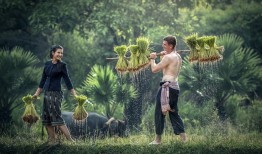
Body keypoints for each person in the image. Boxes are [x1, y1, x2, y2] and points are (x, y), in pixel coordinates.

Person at [33, 45, 77, 145]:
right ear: (53, 53)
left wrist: (74, 94)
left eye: (61, 53)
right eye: (58, 52)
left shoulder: (62, 65)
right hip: (46, 93)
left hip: (56, 94)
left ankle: (71, 140)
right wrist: (36, 94)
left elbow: (67, 80)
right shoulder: (47, 64)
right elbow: (43, 80)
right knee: (47, 117)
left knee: (56, 116)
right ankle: (52, 141)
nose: (60, 54)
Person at [149, 35, 187, 144]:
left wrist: (152, 59)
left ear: (171, 46)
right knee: (174, 113)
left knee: (159, 112)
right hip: (175, 88)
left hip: (167, 88)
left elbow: (154, 69)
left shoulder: (169, 57)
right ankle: (184, 139)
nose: (163, 46)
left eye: (165, 44)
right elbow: (166, 71)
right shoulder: (178, 57)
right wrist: (161, 58)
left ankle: (157, 140)